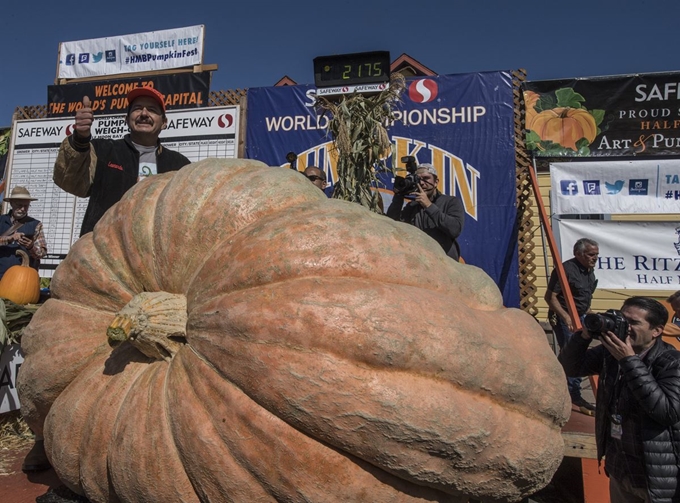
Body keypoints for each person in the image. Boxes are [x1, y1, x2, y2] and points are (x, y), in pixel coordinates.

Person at [559, 296, 680, 502]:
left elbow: (666, 411)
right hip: (621, 469)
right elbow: (570, 366)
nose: (626, 327)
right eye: (622, 319)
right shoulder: (610, 353)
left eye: (634, 322)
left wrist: (629, 361)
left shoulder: (671, 362)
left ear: (656, 331)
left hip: (655, 478)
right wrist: (585, 336)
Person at [53, 87, 190, 236]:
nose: (144, 114)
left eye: (151, 109)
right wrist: (80, 139)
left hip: (156, 252)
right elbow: (71, 182)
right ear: (126, 119)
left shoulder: (179, 165)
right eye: (137, 109)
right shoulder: (103, 151)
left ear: (164, 122)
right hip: (103, 249)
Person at [544, 237, 599, 413]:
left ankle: (572, 392)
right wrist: (566, 317)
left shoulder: (589, 271)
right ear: (578, 254)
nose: (594, 258)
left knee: (582, 353)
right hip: (564, 317)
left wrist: (589, 313)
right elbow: (550, 297)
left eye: (596, 255)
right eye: (591, 255)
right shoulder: (565, 270)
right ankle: (572, 395)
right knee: (572, 353)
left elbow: (584, 296)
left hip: (581, 316)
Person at [386, 163, 465, 261]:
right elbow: (392, 226)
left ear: (436, 182)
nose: (422, 183)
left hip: (445, 264)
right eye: (418, 180)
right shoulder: (412, 206)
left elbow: (455, 229)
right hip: (420, 263)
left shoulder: (450, 201)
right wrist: (398, 197)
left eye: (426, 178)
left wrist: (429, 206)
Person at [0, 186, 47, 278]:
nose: (23, 209)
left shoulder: (36, 224)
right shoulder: (0, 220)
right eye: (19, 205)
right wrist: (9, 239)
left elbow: (42, 253)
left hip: (23, 278)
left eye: (26, 206)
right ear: (11, 203)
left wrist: (31, 246)